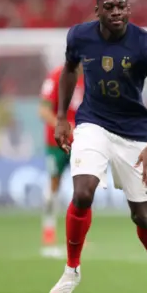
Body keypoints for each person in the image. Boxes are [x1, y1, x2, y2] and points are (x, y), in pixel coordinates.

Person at [48, 0, 147, 293]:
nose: (116, 12)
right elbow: (68, 71)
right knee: (82, 193)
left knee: (142, 215)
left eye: (121, 6)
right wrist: (62, 118)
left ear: (129, 9)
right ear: (98, 11)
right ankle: (71, 269)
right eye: (109, 7)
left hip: (134, 133)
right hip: (92, 122)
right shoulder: (79, 36)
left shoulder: (144, 44)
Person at [38, 64, 84, 258]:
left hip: (82, 141)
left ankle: (77, 236)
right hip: (56, 142)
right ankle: (48, 228)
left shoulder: (92, 76)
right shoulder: (57, 76)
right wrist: (62, 126)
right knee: (54, 183)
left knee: (82, 189)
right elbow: (43, 110)